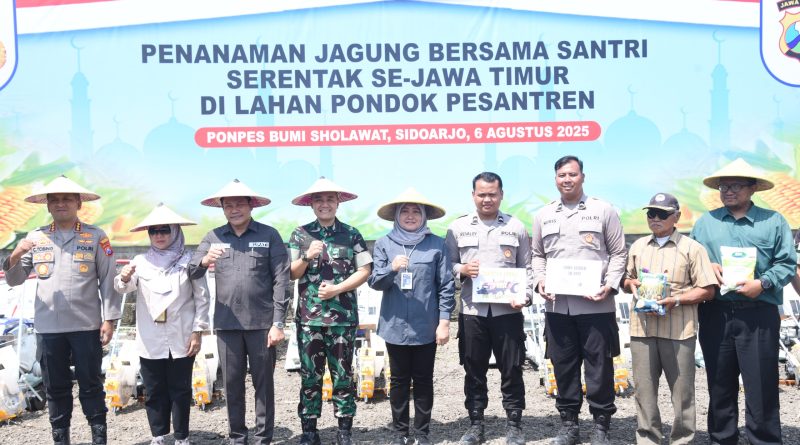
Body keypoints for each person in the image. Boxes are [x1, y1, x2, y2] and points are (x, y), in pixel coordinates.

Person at [1, 175, 120, 445]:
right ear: (47, 205)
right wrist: (16, 254)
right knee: (55, 387)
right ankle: (60, 438)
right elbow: (16, 279)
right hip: (49, 328)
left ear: (79, 203)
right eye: (54, 200)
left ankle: (98, 437)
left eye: (67, 199)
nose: (60, 203)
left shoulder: (96, 236)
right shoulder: (35, 237)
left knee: (91, 384)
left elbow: (108, 280)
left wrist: (110, 319)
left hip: (86, 325)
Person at [690, 158, 796, 445]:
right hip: (716, 312)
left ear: (752, 189)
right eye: (724, 186)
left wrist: (763, 283)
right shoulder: (706, 222)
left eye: (736, 186)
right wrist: (706, 267)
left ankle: (764, 439)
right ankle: (722, 438)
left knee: (761, 384)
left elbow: (787, 263)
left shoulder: (773, 221)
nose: (728, 191)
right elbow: (690, 261)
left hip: (758, 313)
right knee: (719, 382)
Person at [530, 156, 627, 445]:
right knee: (563, 366)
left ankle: (601, 425)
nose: (567, 179)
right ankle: (569, 425)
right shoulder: (544, 215)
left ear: (583, 177)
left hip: (596, 305)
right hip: (558, 306)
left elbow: (619, 252)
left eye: (572, 174)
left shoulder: (603, 210)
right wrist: (540, 281)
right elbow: (537, 255)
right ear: (555, 179)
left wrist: (609, 285)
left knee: (599, 366)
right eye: (562, 175)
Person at [188, 179, 290, 445]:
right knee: (232, 385)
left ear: (251, 206)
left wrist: (278, 323)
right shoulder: (213, 237)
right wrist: (205, 260)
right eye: (228, 205)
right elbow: (191, 271)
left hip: (262, 325)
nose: (234, 210)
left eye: (239, 204)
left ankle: (263, 438)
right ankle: (237, 437)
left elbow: (282, 280)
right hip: (227, 325)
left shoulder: (269, 235)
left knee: (263, 385)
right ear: (222, 209)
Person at [444, 172, 532, 445]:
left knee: (512, 368)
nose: (487, 199)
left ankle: (514, 425)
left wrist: (526, 296)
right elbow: (447, 265)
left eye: (492, 194)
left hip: (508, 312)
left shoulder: (516, 227)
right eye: (481, 194)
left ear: (501, 195)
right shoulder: (457, 228)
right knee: (474, 369)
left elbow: (527, 267)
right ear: (473, 195)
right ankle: (476, 424)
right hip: (473, 312)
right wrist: (462, 269)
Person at [623, 193, 717, 445]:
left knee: (682, 392)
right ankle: (648, 439)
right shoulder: (638, 246)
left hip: (679, 330)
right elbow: (627, 279)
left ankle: (682, 439)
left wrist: (676, 300)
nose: (655, 218)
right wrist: (631, 284)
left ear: (676, 217)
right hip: (642, 329)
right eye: (651, 213)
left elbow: (708, 290)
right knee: (644, 391)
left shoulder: (692, 248)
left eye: (662, 214)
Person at [114, 203, 210, 445]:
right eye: (153, 231)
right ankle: (157, 436)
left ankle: (182, 437)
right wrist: (123, 277)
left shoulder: (190, 261)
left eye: (164, 230)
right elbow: (124, 287)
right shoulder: (140, 261)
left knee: (181, 389)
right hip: (150, 337)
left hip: (182, 335)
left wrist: (198, 331)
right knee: (154, 389)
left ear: (175, 231)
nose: (159, 235)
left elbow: (202, 297)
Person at [288, 177, 372, 445]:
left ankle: (344, 431)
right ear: (311, 204)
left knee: (343, 376)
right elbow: (291, 273)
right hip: (309, 320)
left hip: (342, 320)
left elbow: (365, 270)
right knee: (309, 377)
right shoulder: (300, 234)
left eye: (329, 199)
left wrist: (337, 289)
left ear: (337, 203)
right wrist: (307, 256)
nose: (324, 204)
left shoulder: (351, 234)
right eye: (319, 200)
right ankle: (309, 431)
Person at [368, 188, 455, 445]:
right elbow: (375, 281)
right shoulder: (384, 244)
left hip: (426, 325)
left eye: (416, 211)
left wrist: (444, 322)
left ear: (424, 216)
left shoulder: (437, 244)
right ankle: (400, 433)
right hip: (394, 325)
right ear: (396, 215)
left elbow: (446, 285)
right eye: (404, 211)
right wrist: (391, 268)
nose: (410, 215)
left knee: (424, 379)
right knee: (398, 381)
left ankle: (422, 433)